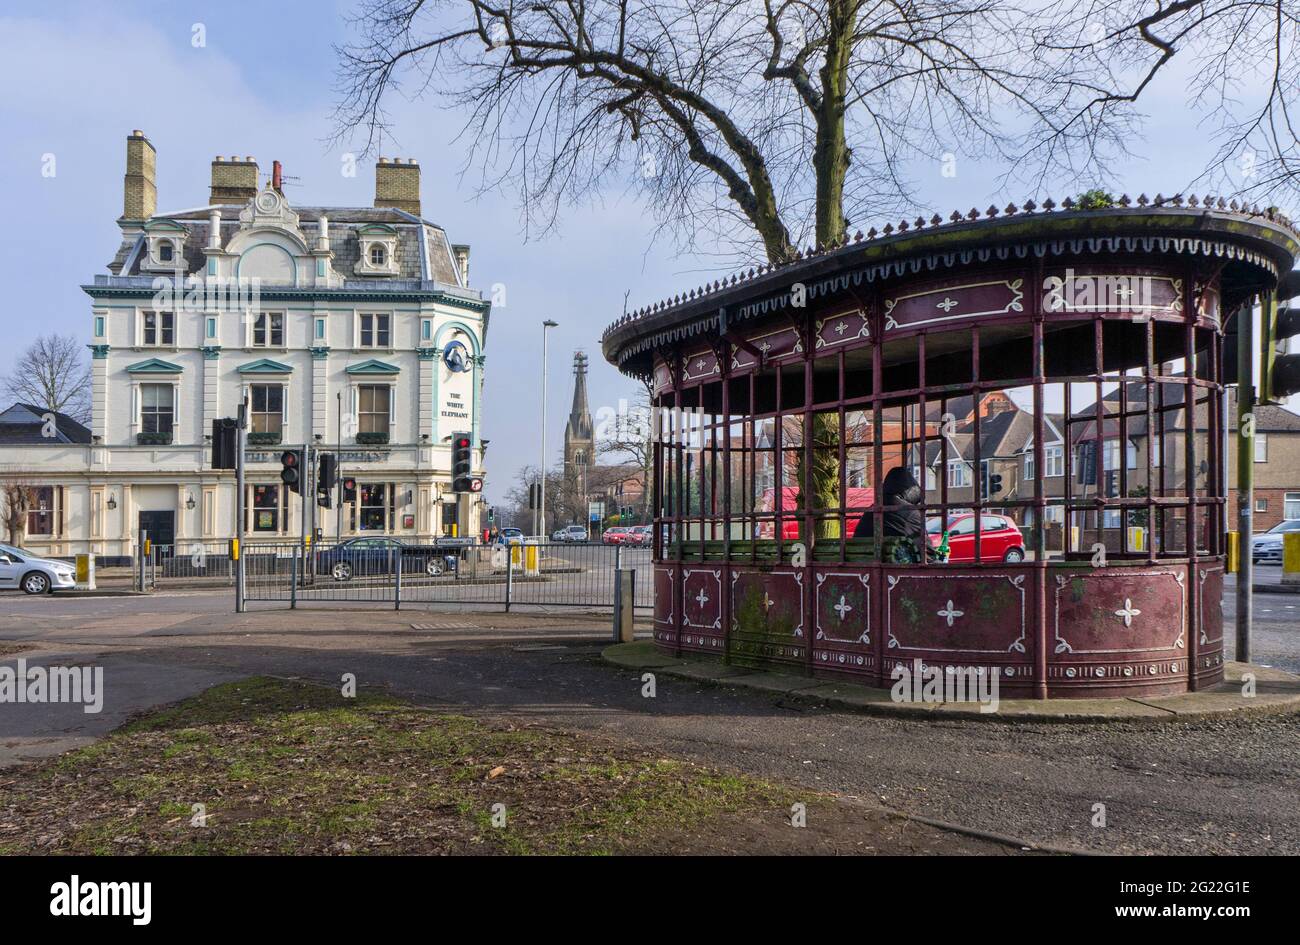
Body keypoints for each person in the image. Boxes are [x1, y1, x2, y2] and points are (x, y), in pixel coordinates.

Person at [852, 466, 926, 550]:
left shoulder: (872, 510)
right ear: (908, 491)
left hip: (860, 561)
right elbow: (927, 551)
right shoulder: (910, 513)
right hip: (892, 562)